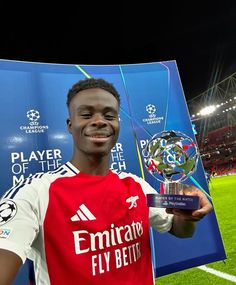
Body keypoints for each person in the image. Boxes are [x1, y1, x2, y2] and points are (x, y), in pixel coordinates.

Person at [0, 78, 213, 285]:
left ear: (118, 124)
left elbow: (180, 230)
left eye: (109, 115)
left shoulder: (136, 186)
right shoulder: (34, 193)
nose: (100, 121)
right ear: (70, 124)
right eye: (86, 114)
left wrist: (186, 215)